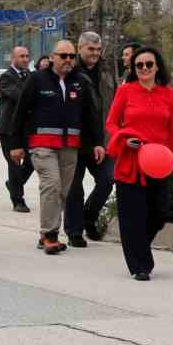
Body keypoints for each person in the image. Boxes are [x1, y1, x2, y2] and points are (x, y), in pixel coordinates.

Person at [6, 39, 106, 256]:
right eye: (63, 56)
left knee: (63, 190)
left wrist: (98, 142)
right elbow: (20, 112)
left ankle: (46, 234)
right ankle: (50, 234)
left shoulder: (80, 81)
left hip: (70, 146)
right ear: (53, 57)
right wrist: (15, 145)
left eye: (71, 56)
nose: (68, 60)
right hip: (42, 145)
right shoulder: (37, 80)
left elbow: (91, 115)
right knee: (51, 184)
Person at [106, 46, 173, 281]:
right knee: (132, 217)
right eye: (139, 65)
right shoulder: (126, 91)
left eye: (148, 64)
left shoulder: (167, 94)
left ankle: (140, 247)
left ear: (157, 66)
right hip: (131, 161)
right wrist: (124, 137)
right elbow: (111, 123)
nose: (143, 69)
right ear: (133, 69)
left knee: (159, 213)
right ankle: (139, 265)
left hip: (160, 163)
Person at [65, 31, 116, 246]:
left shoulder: (106, 71)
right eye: (90, 49)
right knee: (74, 188)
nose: (95, 53)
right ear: (80, 48)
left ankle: (89, 216)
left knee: (107, 180)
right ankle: (74, 231)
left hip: (102, 140)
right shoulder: (69, 71)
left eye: (98, 49)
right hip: (74, 141)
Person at [0, 45, 36, 213]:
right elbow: (20, 96)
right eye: (21, 56)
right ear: (13, 58)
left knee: (32, 162)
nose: (25, 59)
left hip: (26, 128)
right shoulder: (6, 77)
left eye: (27, 56)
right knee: (14, 163)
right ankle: (18, 201)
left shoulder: (30, 76)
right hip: (9, 129)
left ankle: (13, 183)